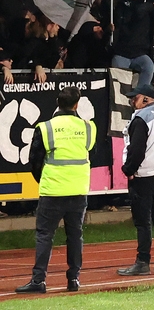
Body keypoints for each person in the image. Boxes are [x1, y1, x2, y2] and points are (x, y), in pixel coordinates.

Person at [15, 87, 95, 294]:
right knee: (75, 236)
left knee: (44, 235)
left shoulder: (46, 128)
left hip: (52, 190)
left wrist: (43, 179)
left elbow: (34, 160)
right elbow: (90, 153)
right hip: (78, 190)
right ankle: (73, 280)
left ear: (57, 103)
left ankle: (38, 280)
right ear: (76, 105)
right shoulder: (88, 128)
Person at [117, 84, 154, 275]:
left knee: (143, 222)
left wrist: (129, 170)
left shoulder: (142, 119)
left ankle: (142, 262)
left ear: (146, 99)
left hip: (142, 176)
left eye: (135, 97)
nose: (132, 101)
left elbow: (137, 149)